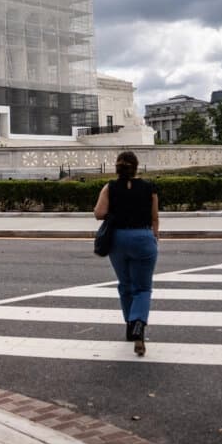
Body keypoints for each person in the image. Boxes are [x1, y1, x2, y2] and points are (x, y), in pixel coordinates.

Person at [94, 150, 159, 356]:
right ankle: (139, 323)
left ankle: (131, 326)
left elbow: (98, 213)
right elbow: (154, 217)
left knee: (125, 285)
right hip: (143, 237)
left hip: (118, 239)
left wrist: (117, 211)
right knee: (143, 288)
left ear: (118, 167)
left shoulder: (110, 187)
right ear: (136, 166)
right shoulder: (149, 187)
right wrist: (154, 237)